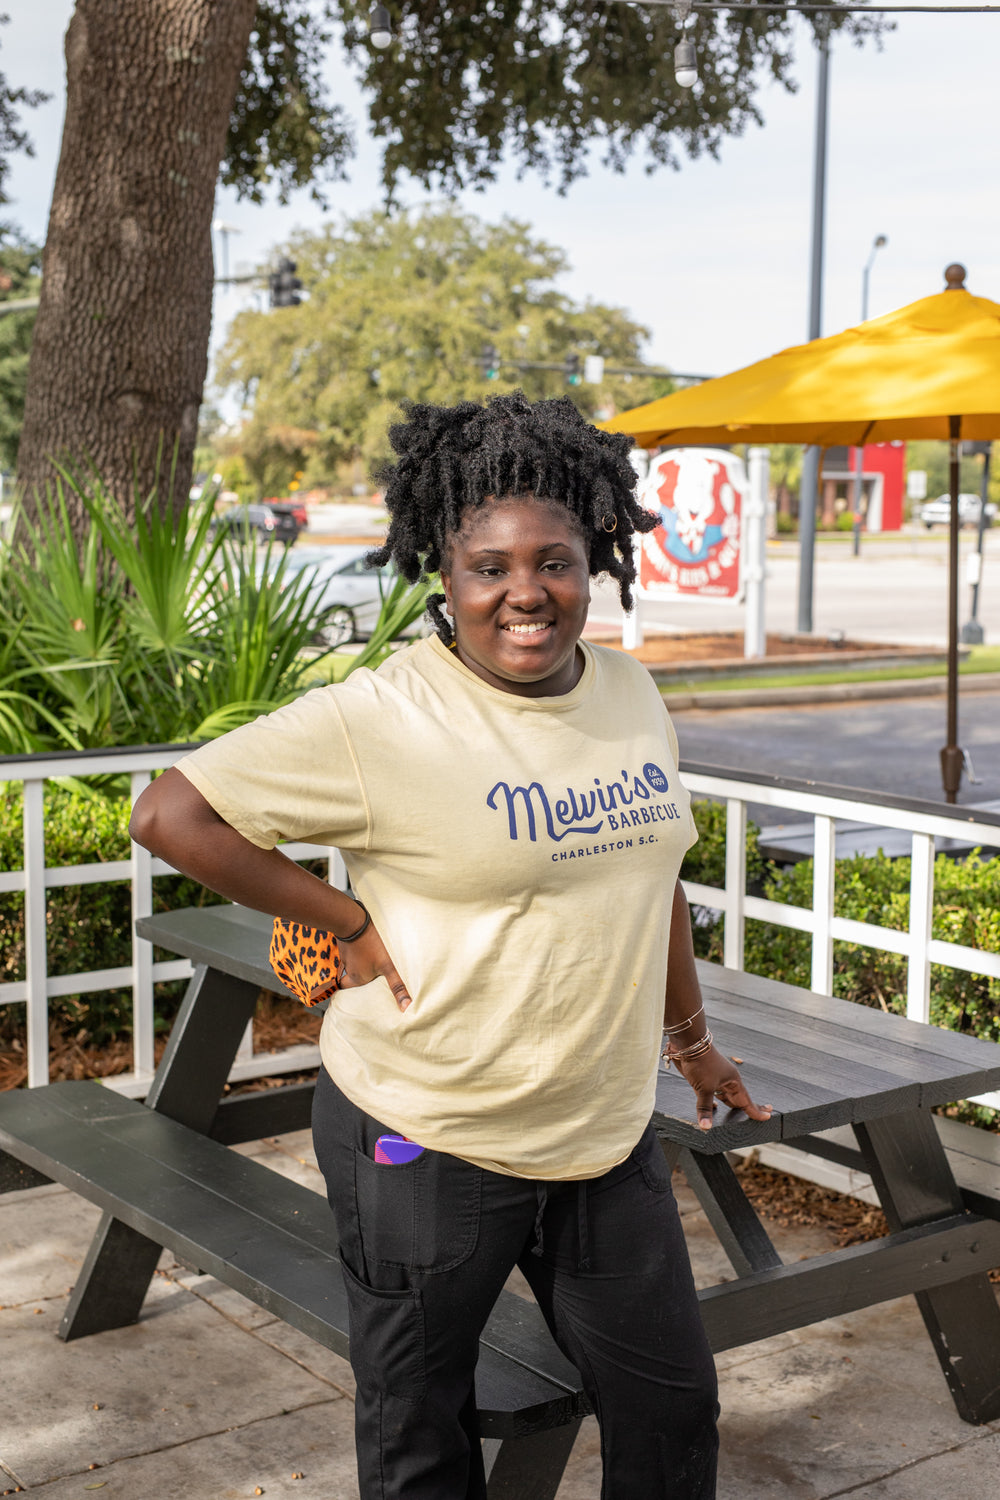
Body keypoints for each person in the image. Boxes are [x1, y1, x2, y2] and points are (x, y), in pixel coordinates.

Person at [130, 392, 772, 1500]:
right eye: (491, 567)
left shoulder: (627, 692)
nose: (526, 593)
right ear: (445, 574)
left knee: (670, 1413)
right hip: (425, 1144)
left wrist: (690, 1040)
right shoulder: (380, 717)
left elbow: (650, 872)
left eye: (556, 562)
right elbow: (169, 815)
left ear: (593, 560)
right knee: (422, 1433)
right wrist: (347, 924)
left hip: (601, 1136)